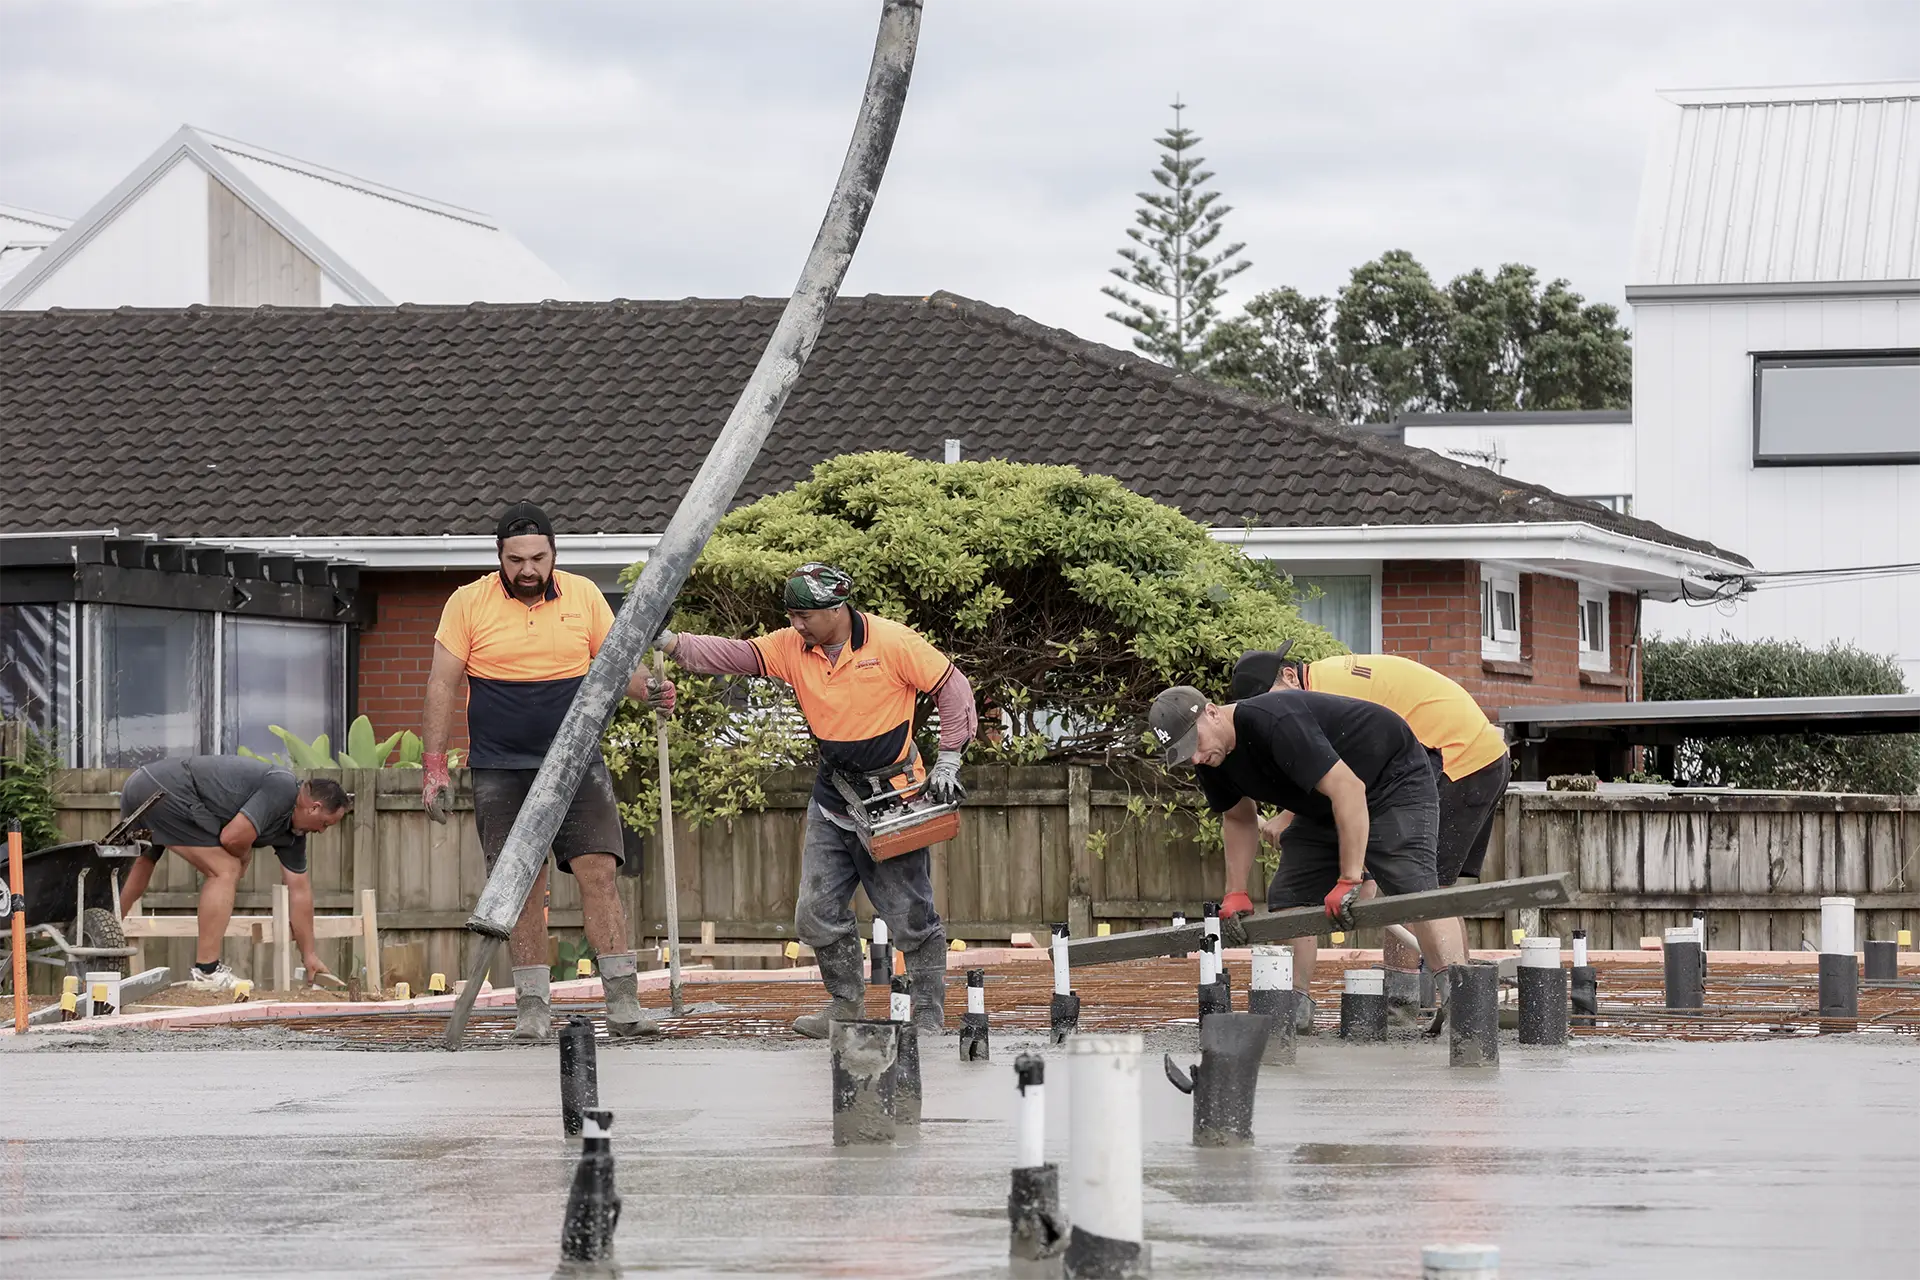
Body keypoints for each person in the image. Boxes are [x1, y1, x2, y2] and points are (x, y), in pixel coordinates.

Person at [659, 561, 977, 1038]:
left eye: (804, 616)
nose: (796, 625)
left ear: (836, 608)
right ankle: (845, 1005)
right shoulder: (793, 647)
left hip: (894, 794)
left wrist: (949, 759)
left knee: (910, 912)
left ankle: (928, 1012)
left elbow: (953, 688)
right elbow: (737, 655)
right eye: (791, 615)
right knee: (816, 911)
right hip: (834, 795)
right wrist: (672, 644)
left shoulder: (892, 643)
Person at [421, 502, 676, 1044]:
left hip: (577, 761)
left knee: (599, 873)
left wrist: (651, 691)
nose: (528, 569)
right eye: (516, 560)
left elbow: (615, 667)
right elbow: (442, 686)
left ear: (554, 554)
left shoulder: (583, 596)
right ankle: (533, 1008)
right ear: (500, 559)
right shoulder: (467, 603)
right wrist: (435, 766)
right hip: (499, 767)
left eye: (538, 557)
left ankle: (624, 1005)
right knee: (521, 886)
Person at [1149, 682, 1466, 1031]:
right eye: (1184, 753)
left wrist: (1349, 878)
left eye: (1195, 744)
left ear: (1211, 712)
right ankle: (1296, 1010)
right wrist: (1235, 890)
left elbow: (1350, 788)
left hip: (1391, 779)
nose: (1194, 757)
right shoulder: (1212, 759)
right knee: (1290, 899)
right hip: (1323, 802)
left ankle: (1463, 1002)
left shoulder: (1273, 721)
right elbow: (1238, 817)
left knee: (1414, 889)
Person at [1228, 642, 1512, 1013]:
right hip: (1450, 755)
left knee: (1422, 888)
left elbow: (1349, 781)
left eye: (1270, 702)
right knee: (1421, 887)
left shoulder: (1329, 691)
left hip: (1457, 755)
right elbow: (1335, 776)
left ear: (1288, 675)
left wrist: (1353, 864)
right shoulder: (1320, 686)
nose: (1269, 715)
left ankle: (1459, 1005)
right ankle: (1418, 998)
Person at [116, 755, 352, 991]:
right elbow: (232, 837)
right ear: (314, 807)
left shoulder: (293, 835)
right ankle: (207, 971)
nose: (322, 831)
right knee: (225, 870)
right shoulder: (282, 788)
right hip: (165, 788)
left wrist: (309, 955)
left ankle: (100, 946)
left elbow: (299, 891)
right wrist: (244, 854)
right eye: (325, 824)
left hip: (140, 784)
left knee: (140, 868)